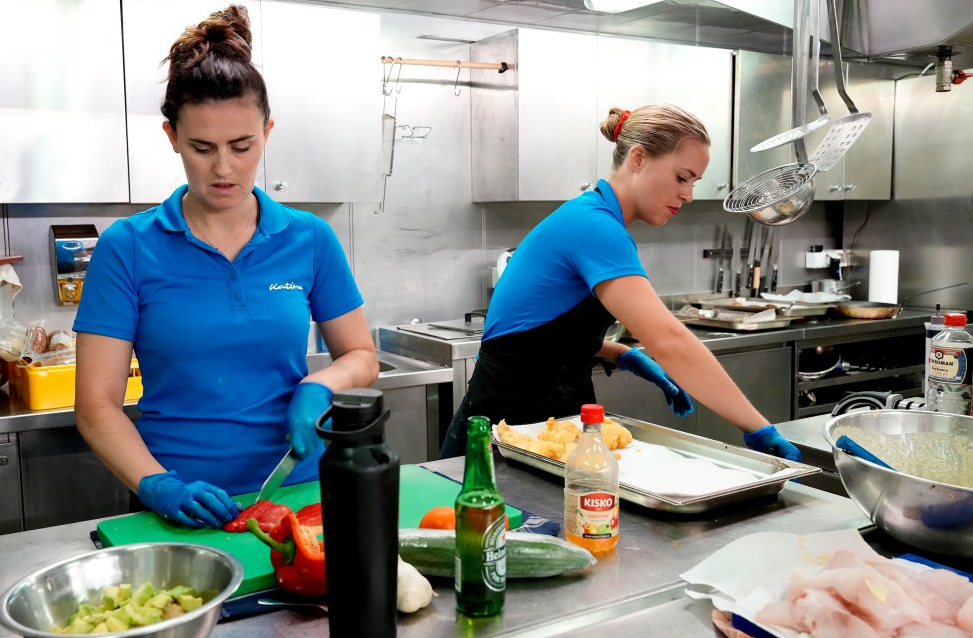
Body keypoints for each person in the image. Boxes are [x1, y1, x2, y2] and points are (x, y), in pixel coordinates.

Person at [73, 5, 378, 529]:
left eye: (242, 145)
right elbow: (96, 405)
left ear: (267, 132)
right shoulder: (127, 247)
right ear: (172, 136)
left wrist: (322, 384)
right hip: (180, 504)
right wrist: (158, 485)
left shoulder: (310, 238)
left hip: (299, 495)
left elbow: (361, 356)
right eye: (201, 147)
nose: (224, 168)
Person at [440, 104, 800, 462]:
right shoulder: (595, 227)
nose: (688, 195)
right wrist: (758, 428)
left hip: (541, 436)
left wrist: (620, 353)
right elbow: (669, 341)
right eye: (682, 178)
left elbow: (535, 339)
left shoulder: (590, 216)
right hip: (501, 445)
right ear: (638, 158)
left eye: (694, 183)